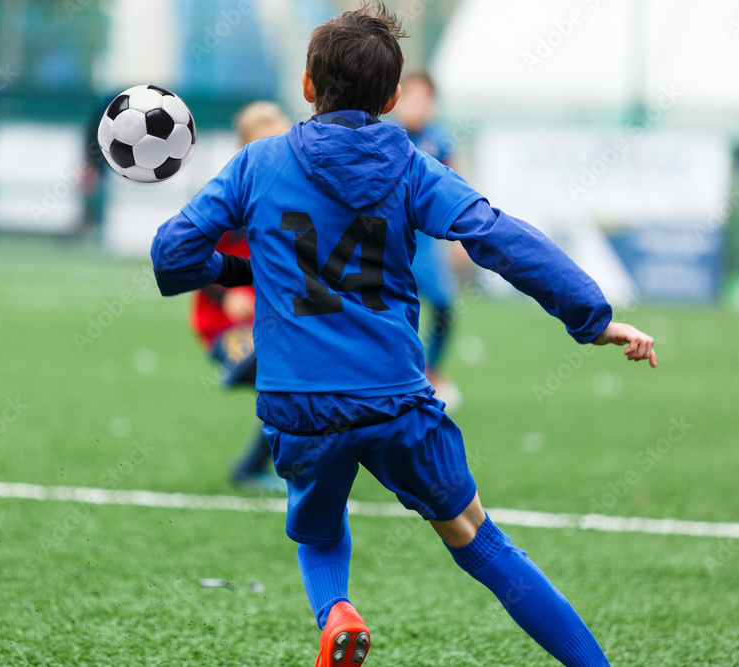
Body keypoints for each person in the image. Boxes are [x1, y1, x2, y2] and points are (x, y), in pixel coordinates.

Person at [150, 3, 656, 665]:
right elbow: (495, 235)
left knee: (320, 530)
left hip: (297, 404)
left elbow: (172, 256)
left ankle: (335, 612)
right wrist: (591, 317)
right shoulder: (412, 165)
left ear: (306, 85)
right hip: (393, 398)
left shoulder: (257, 164)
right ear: (392, 98)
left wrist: (239, 268)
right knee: (478, 538)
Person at [189, 101, 291, 494]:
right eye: (264, 142)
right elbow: (188, 256)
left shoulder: (293, 194)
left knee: (298, 387)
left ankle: (252, 468)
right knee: (286, 378)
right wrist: (223, 296)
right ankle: (242, 358)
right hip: (225, 327)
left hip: (274, 322)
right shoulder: (230, 194)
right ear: (244, 149)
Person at [393, 71, 462, 404]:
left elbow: (456, 187)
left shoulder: (440, 139)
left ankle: (429, 370)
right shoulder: (385, 134)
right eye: (413, 97)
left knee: (445, 309)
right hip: (392, 238)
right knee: (397, 309)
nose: (419, 105)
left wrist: (462, 239)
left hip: (427, 242)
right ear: (398, 98)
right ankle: (401, 375)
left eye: (426, 98)